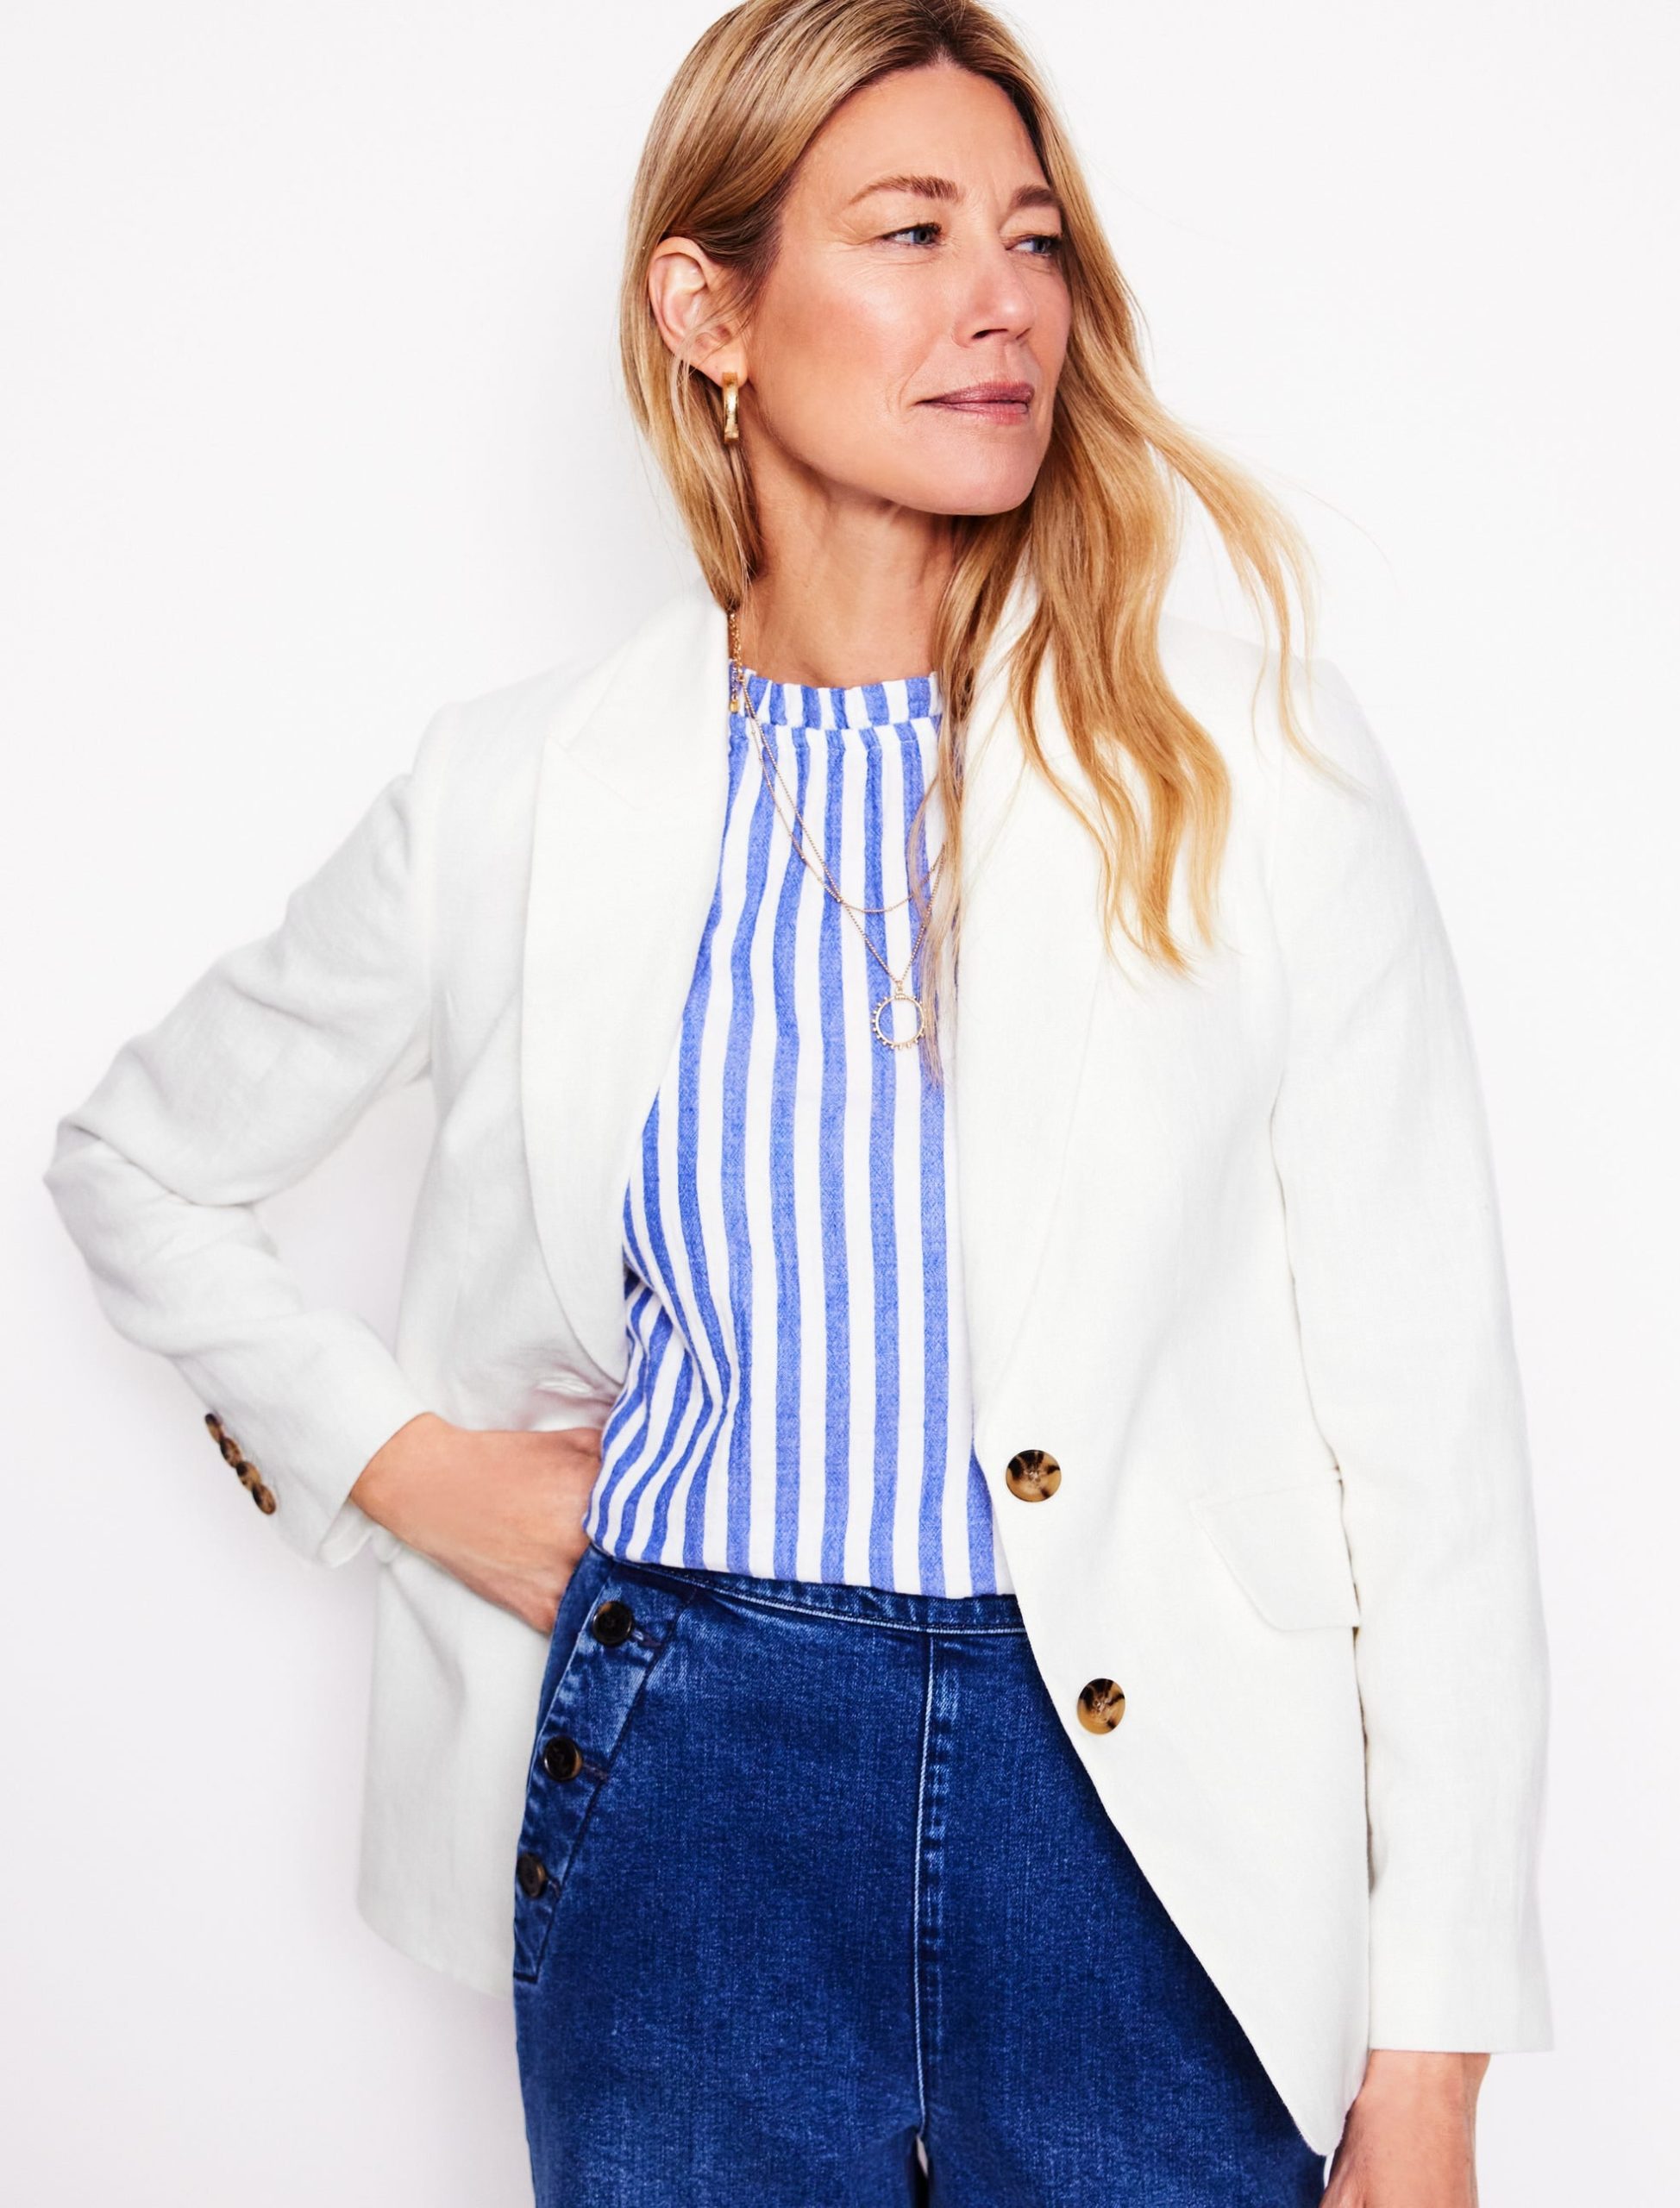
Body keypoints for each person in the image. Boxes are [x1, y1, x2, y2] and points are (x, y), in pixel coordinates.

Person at [43, 3, 1554, 2203]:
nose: (1001, 302)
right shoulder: (517, 795)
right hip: (686, 1791)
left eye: (1032, 238)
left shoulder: (1247, 769)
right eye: (913, 231)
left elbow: (1433, 1444)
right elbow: (139, 1159)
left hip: (1148, 1814)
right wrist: (409, 1467)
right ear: (711, 311)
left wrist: (1430, 2064)